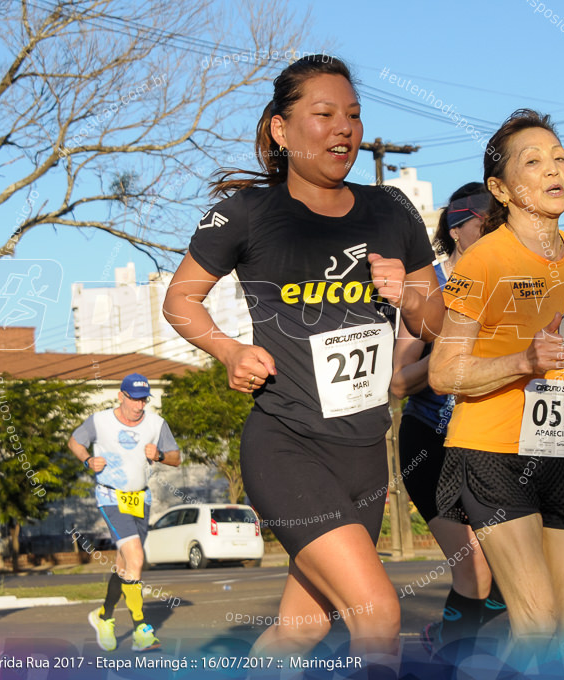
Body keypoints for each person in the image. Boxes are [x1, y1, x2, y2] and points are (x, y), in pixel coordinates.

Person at [163, 54, 443, 673]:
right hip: (287, 443)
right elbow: (179, 298)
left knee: (300, 631)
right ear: (281, 130)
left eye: (353, 115)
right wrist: (228, 348)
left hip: (367, 450)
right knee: (378, 614)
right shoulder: (247, 212)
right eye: (324, 115)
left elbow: (434, 325)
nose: (344, 128)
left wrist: (410, 294)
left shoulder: (391, 210)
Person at [429, 109, 564, 670]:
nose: (554, 169)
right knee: (538, 623)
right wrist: (522, 360)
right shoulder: (483, 259)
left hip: (558, 447)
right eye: (534, 161)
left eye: (560, 157)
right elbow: (443, 373)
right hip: (491, 451)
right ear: (502, 187)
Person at [390, 183, 503, 656]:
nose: (500, 231)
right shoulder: (430, 288)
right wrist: (449, 361)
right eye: (489, 222)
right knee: (474, 568)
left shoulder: (509, 284)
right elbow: (397, 382)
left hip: (490, 442)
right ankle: (450, 658)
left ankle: (457, 645)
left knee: (509, 575)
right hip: (431, 443)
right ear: (459, 229)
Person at [68, 373, 181, 653]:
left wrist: (159, 456)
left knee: (126, 565)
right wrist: (87, 460)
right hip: (110, 496)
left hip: (140, 498)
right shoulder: (100, 421)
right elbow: (74, 442)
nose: (139, 406)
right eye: (134, 399)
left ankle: (104, 617)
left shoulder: (156, 424)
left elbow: (176, 457)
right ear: (121, 396)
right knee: (136, 557)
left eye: (143, 400)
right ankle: (142, 630)